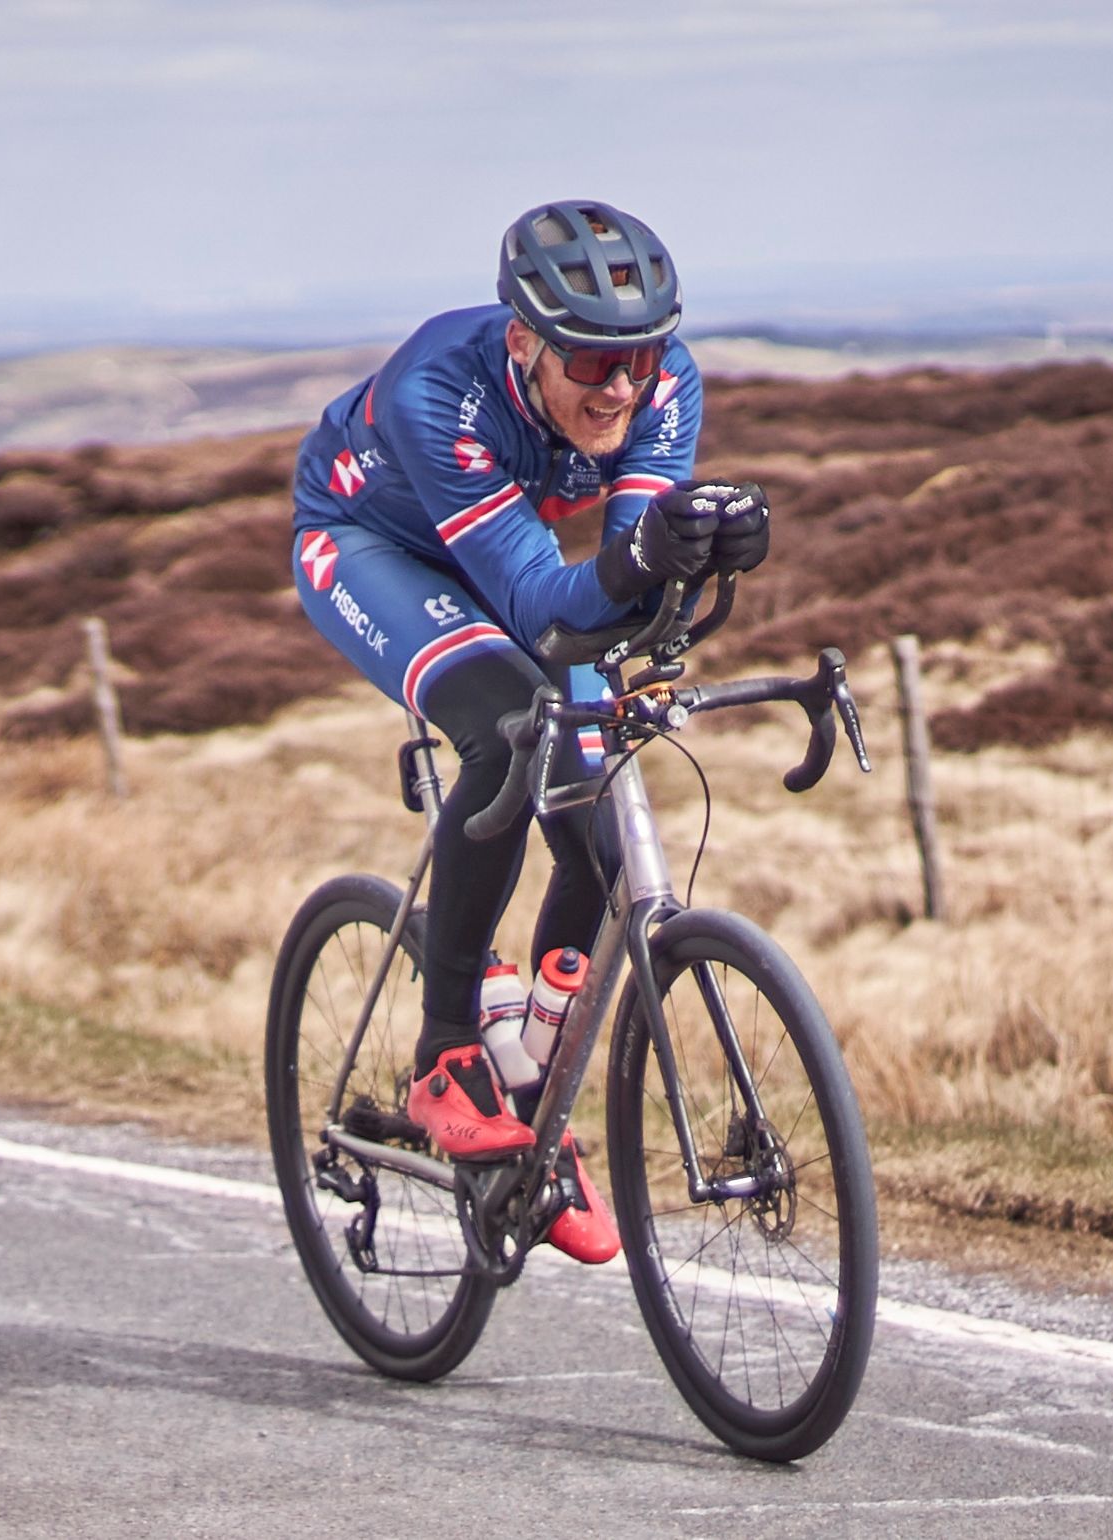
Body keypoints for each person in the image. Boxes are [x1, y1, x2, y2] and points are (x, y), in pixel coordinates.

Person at [289, 200, 769, 1263]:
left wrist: (701, 557)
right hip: (372, 546)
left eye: (638, 357)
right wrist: (644, 562)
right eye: (590, 364)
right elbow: (544, 602)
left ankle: (536, 1065)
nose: (620, 388)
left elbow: (635, 569)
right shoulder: (436, 387)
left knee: (594, 781)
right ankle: (449, 1048)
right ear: (522, 341)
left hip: (510, 548)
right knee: (508, 729)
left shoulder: (664, 386)